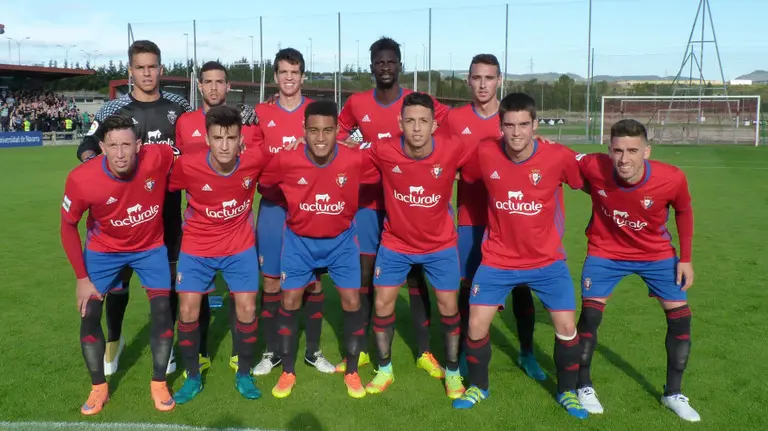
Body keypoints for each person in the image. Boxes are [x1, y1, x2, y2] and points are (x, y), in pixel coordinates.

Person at [453, 93, 588, 419]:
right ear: (500, 126)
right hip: (497, 259)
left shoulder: (557, 157)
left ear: (535, 125)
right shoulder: (486, 152)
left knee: (567, 327)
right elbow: (459, 172)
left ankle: (567, 392)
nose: (516, 133)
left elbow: (589, 181)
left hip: (547, 261)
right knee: (475, 324)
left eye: (524, 125)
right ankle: (479, 386)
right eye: (509, 125)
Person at [334, 37, 451, 376]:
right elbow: (339, 136)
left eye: (391, 61)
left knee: (416, 277)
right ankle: (367, 350)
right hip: (370, 204)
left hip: (411, 204)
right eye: (379, 62)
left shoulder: (419, 102)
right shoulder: (357, 103)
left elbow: (449, 128)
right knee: (366, 277)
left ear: (400, 65)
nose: (385, 67)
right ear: (371, 66)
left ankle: (425, 350)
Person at [76, 40, 192, 376]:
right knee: (118, 282)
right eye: (140, 67)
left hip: (167, 207)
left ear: (160, 68)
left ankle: (166, 349)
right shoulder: (114, 109)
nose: (146, 73)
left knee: (167, 280)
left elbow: (191, 147)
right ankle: (114, 339)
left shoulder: (179, 105)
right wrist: (95, 168)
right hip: (123, 211)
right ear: (130, 70)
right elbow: (87, 144)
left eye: (152, 66)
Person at [572, 119, 699, 422]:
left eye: (632, 150)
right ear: (609, 149)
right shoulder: (594, 166)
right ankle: (583, 386)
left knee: (681, 318)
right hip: (605, 252)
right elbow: (562, 157)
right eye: (618, 151)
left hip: (655, 254)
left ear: (647, 151)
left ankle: (673, 394)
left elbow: (683, 211)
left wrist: (686, 258)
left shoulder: (672, 178)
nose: (624, 159)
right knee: (590, 315)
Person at [259, 100, 376, 399]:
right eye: (313, 131)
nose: (320, 138)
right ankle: (288, 371)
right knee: (290, 299)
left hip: (341, 242)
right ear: (304, 130)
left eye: (327, 130)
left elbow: (377, 177)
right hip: (299, 241)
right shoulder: (287, 159)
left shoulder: (354, 159)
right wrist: (295, 205)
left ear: (338, 130)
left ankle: (351, 371)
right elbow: (266, 186)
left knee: (352, 300)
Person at [61, 114, 177, 415]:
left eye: (127, 145)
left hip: (150, 248)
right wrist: (81, 278)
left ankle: (159, 382)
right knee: (89, 313)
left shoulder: (159, 156)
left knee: (163, 309)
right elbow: (67, 226)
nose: (121, 153)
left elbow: (191, 162)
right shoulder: (81, 178)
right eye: (112, 146)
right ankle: (99, 387)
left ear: (139, 144)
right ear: (101, 146)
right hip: (103, 251)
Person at [363, 92, 472, 399]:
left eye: (423, 121)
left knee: (449, 307)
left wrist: (536, 144)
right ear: (400, 122)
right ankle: (384, 369)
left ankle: (452, 373)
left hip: (440, 245)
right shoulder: (384, 150)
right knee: (383, 303)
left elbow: (489, 155)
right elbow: (346, 156)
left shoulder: (452, 148)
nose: (416, 128)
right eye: (409, 121)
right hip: (396, 243)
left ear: (434, 125)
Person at [443, 53, 544, 380]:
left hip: (512, 218)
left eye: (489, 77)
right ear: (468, 81)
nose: (483, 84)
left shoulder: (511, 117)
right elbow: (440, 157)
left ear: (499, 80)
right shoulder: (454, 119)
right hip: (471, 216)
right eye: (476, 78)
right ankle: (457, 357)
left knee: (521, 287)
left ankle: (527, 352)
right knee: (466, 286)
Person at [169, 105, 267, 403]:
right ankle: (193, 377)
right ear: (207, 139)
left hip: (239, 245)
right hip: (197, 246)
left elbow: (291, 165)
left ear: (241, 140)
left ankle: (244, 373)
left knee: (248, 308)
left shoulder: (256, 159)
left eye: (231, 138)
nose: (225, 146)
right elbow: (165, 185)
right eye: (218, 138)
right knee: (187, 310)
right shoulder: (187, 165)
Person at [250, 48, 335, 376]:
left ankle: (313, 352)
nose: (289, 78)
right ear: (275, 76)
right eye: (283, 72)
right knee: (271, 283)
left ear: (302, 76)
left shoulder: (315, 114)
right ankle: (271, 351)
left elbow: (332, 154)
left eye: (295, 72)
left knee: (313, 283)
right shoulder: (261, 113)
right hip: (273, 209)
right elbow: (253, 159)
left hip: (308, 211)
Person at [174, 60, 259, 375]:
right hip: (199, 230)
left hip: (237, 233)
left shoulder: (246, 121)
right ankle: (199, 356)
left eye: (219, 82)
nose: (213, 87)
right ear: (199, 86)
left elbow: (261, 163)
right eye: (207, 81)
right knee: (194, 304)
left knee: (244, 302)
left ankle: (242, 359)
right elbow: (177, 171)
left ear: (228, 85)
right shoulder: (184, 123)